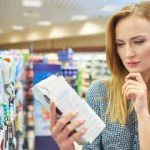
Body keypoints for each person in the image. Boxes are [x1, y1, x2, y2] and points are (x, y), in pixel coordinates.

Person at [49, 1, 150, 150]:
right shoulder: (100, 93)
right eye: (120, 44)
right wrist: (67, 148)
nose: (128, 53)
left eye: (139, 41)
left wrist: (143, 115)